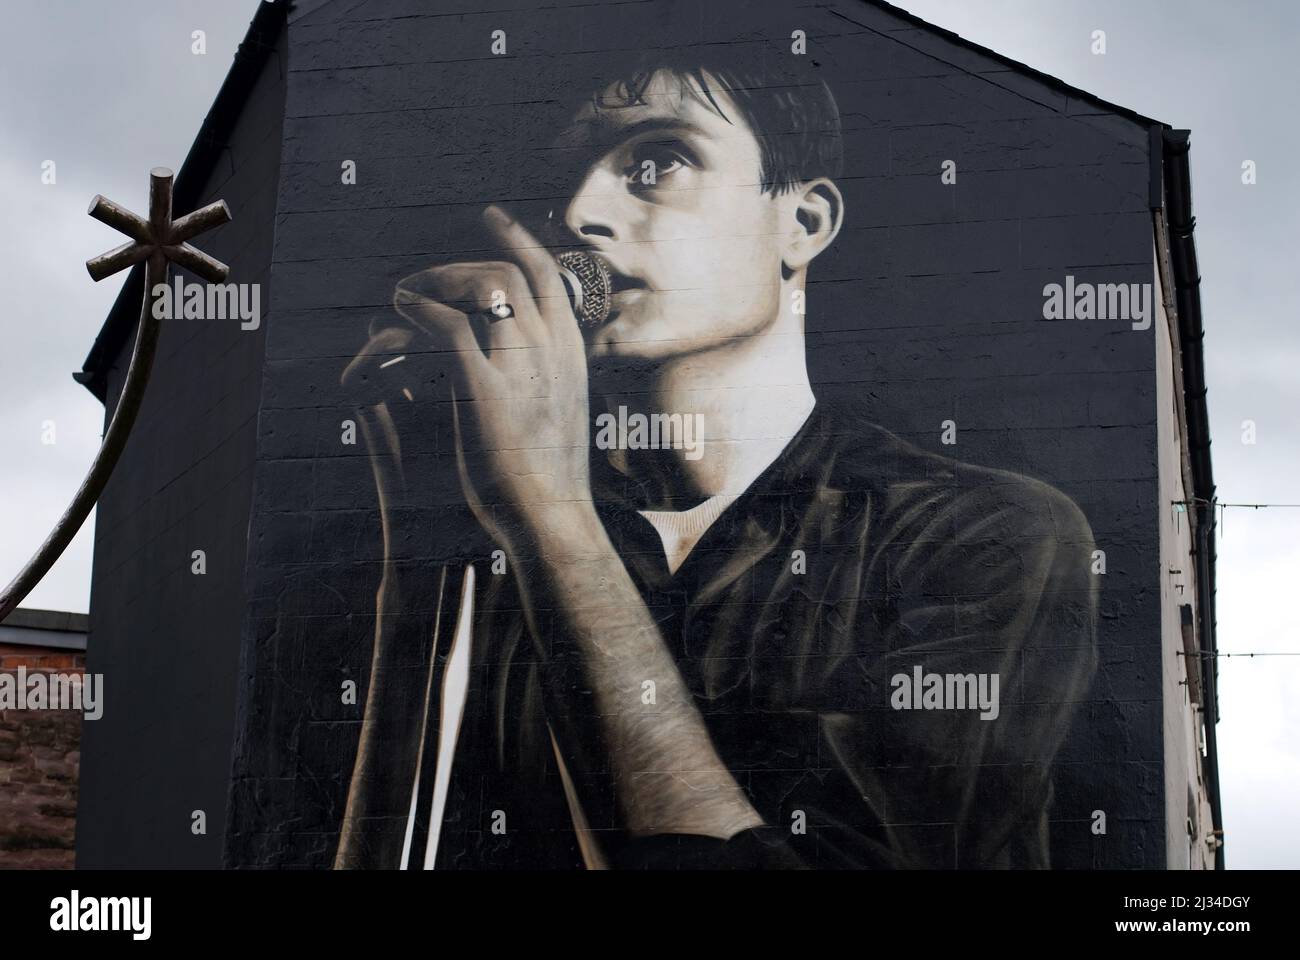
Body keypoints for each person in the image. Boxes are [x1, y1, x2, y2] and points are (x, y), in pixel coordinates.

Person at [334, 48, 1099, 870]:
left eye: (657, 161)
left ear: (802, 224)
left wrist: (554, 523)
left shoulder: (981, 535)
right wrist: (419, 569)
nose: (582, 211)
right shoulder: (505, 538)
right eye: (566, 176)